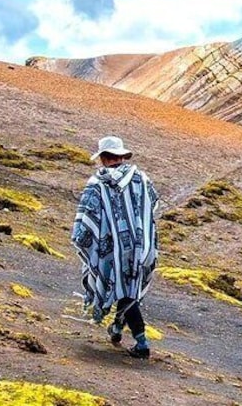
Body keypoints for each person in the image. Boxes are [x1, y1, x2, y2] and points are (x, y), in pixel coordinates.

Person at [71, 136, 159, 359]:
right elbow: (153, 205)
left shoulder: (98, 183)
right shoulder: (142, 179)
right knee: (129, 288)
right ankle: (117, 329)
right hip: (141, 246)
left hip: (110, 248)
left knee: (121, 288)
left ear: (103, 158)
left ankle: (142, 343)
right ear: (121, 156)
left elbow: (87, 216)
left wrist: (83, 238)